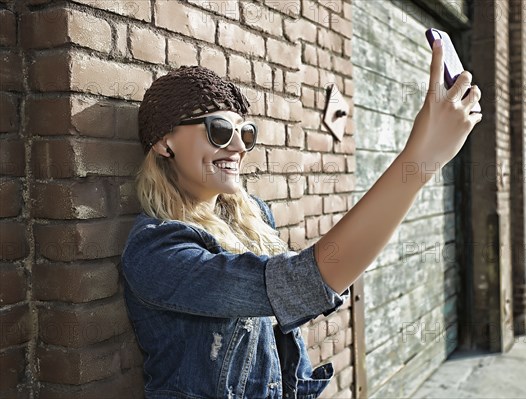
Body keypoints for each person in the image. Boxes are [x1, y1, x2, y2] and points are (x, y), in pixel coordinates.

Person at [120, 37, 482, 399]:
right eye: (219, 130)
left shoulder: (253, 218)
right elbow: (304, 284)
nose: (239, 147)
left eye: (245, 132)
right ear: (165, 142)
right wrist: (417, 162)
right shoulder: (157, 251)